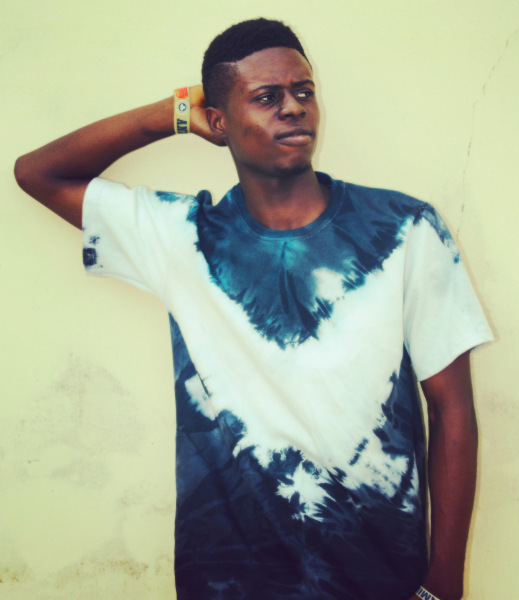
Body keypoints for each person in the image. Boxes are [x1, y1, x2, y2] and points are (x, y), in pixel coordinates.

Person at [14, 17, 493, 600]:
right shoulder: (183, 237)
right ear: (218, 121)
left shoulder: (405, 229)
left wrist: (443, 584)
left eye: (304, 91)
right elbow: (37, 172)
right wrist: (173, 112)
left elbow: (452, 409)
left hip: (380, 577)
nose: (293, 107)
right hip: (228, 581)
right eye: (266, 97)